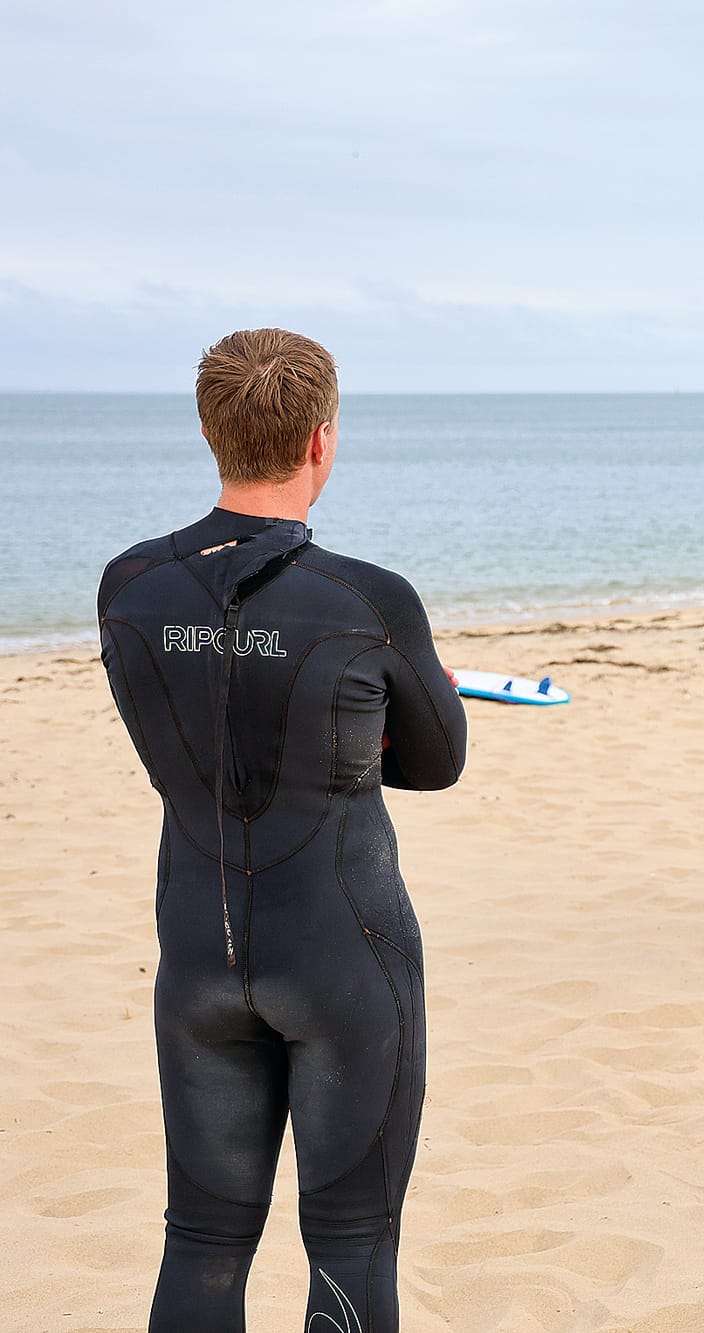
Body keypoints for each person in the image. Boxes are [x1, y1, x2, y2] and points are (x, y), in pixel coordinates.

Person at [97, 329, 466, 1331]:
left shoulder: (127, 586)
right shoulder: (369, 599)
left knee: (204, 1242)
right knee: (352, 1242)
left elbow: (186, 735)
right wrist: (359, 735)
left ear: (212, 433)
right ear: (320, 442)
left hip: (198, 959)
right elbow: (438, 761)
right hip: (344, 956)